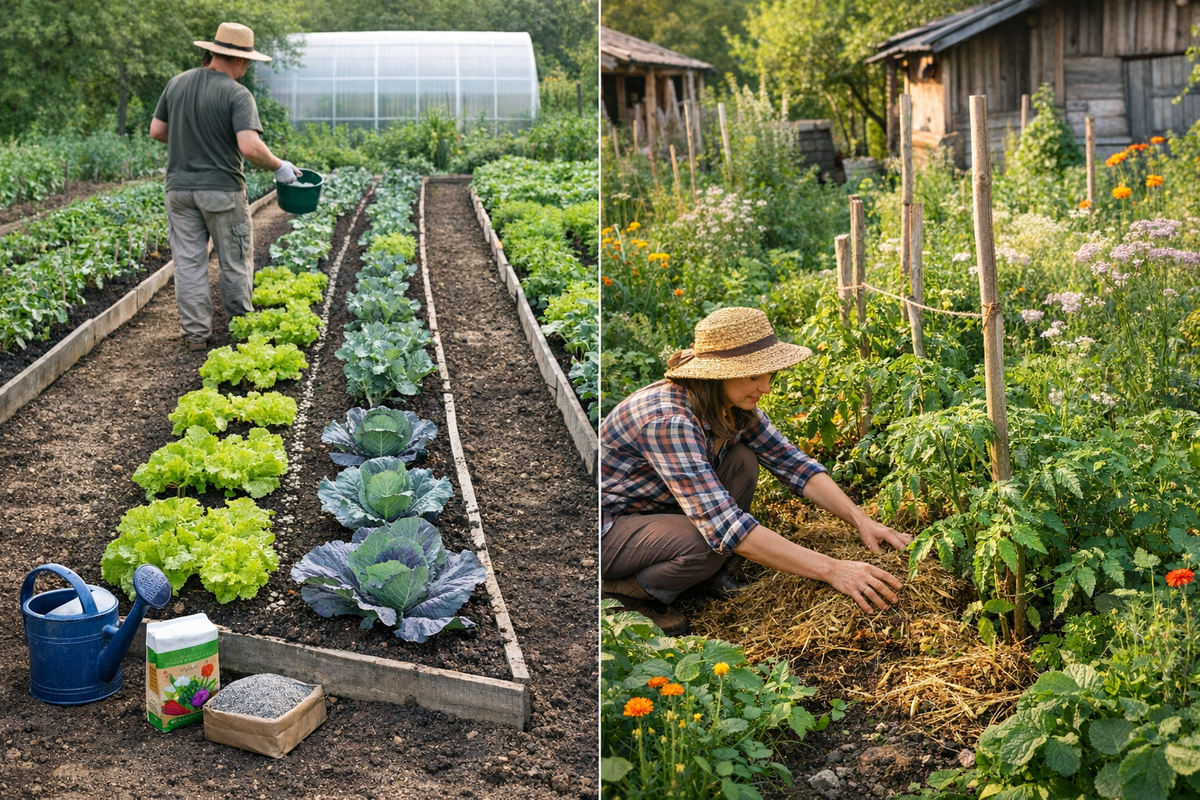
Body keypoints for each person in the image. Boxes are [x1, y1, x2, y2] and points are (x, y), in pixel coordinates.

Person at [601, 307, 913, 634]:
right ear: (718, 375)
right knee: (707, 543)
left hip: (656, 507)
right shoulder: (670, 421)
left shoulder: (727, 405)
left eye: (769, 375)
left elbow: (791, 462)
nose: (765, 387)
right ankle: (622, 594)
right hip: (610, 527)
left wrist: (861, 520)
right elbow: (725, 527)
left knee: (742, 460)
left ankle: (701, 576)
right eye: (754, 376)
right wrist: (833, 570)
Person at [149, 22, 301, 352]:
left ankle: (196, 336)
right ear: (239, 60)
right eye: (248, 63)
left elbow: (157, 130)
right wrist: (280, 166)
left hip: (178, 190)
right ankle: (241, 330)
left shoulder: (176, 84)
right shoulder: (236, 93)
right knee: (233, 259)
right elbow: (249, 146)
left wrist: (190, 139)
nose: (246, 70)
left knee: (189, 264)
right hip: (221, 189)